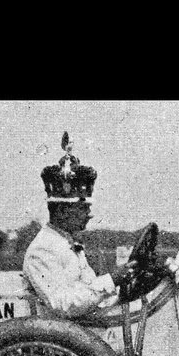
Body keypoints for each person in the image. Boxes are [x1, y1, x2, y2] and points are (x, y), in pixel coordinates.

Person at [23, 133, 137, 319]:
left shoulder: (65, 242)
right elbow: (62, 304)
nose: (89, 214)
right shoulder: (42, 250)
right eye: (83, 208)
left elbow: (89, 288)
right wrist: (112, 279)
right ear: (61, 210)